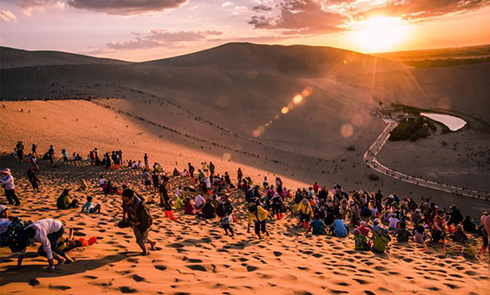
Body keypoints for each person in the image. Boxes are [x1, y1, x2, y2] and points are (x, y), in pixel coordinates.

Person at [122, 189, 156, 255]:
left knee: (139, 240)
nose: (125, 202)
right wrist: (124, 217)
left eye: (126, 200)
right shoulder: (126, 202)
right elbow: (124, 208)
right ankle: (152, 242)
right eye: (123, 199)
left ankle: (145, 251)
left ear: (132, 197)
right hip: (134, 221)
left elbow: (146, 218)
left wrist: (135, 223)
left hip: (144, 223)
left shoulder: (141, 206)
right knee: (139, 236)